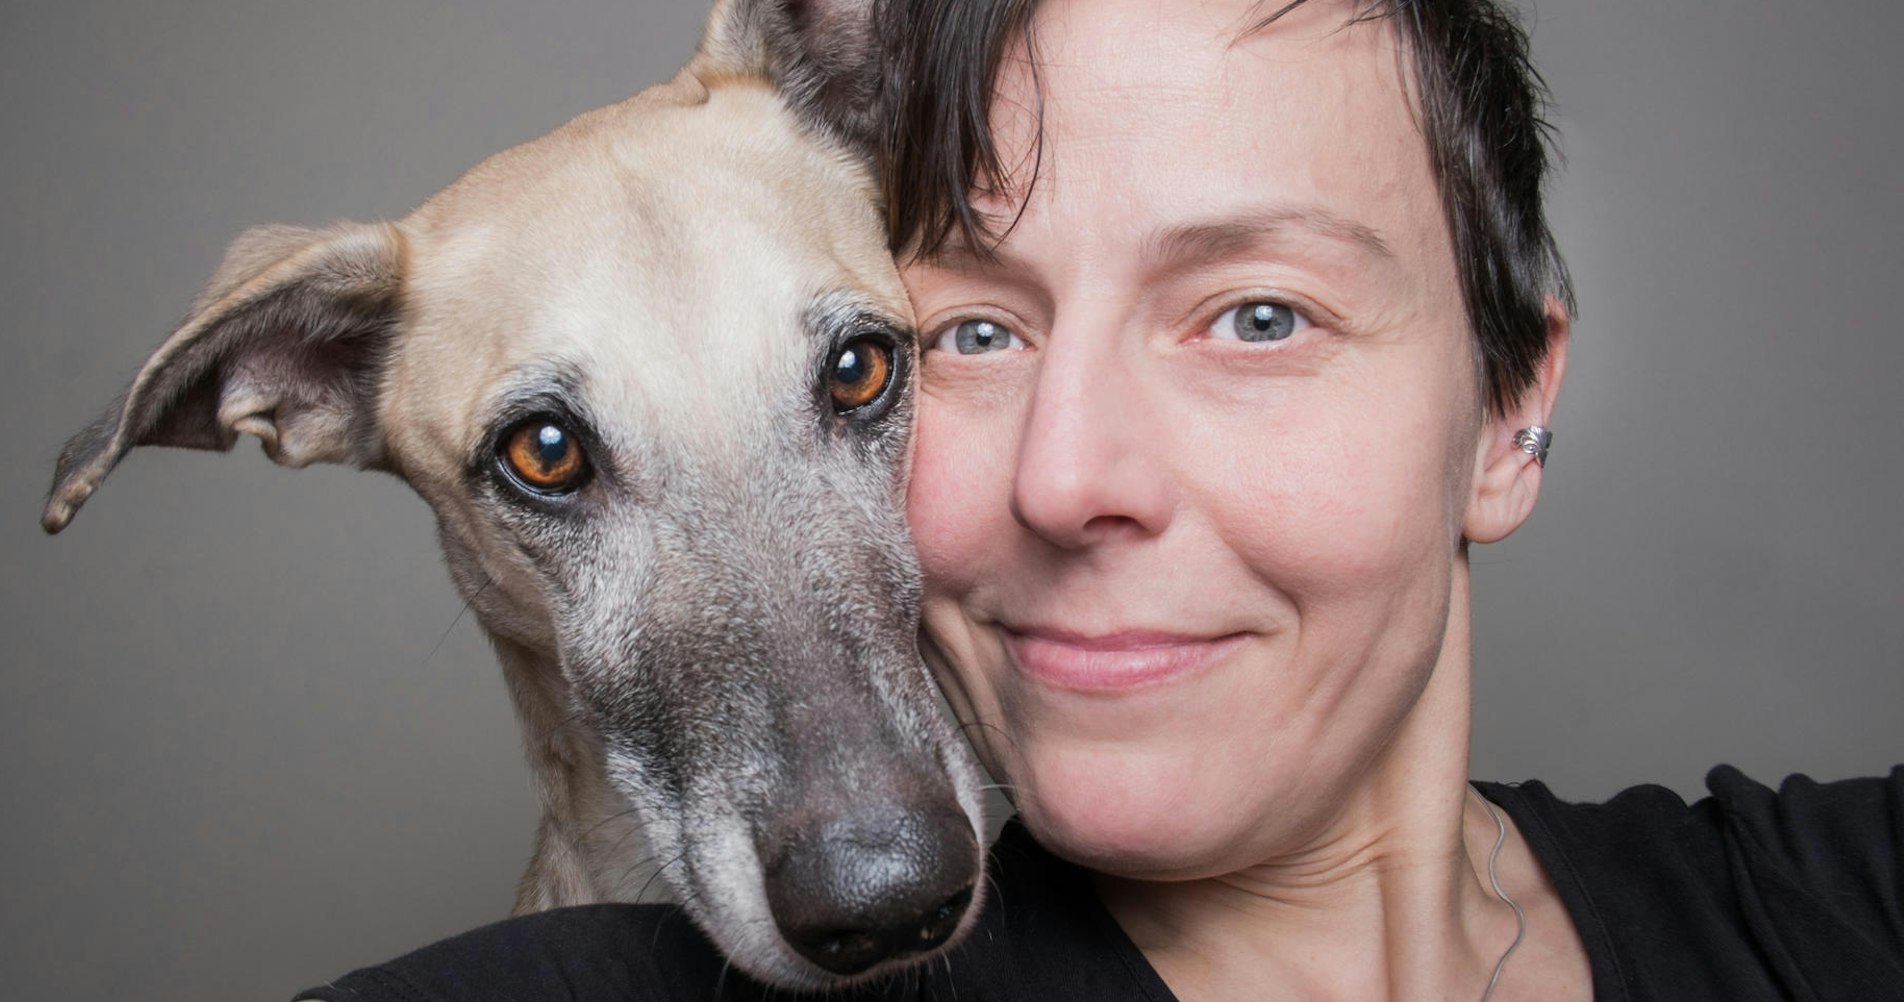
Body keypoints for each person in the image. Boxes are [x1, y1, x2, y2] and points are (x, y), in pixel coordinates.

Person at [297, 1, 1904, 999]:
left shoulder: (1846, 903)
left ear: (1509, 407)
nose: (1069, 477)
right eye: (968, 336)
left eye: (1259, 313)